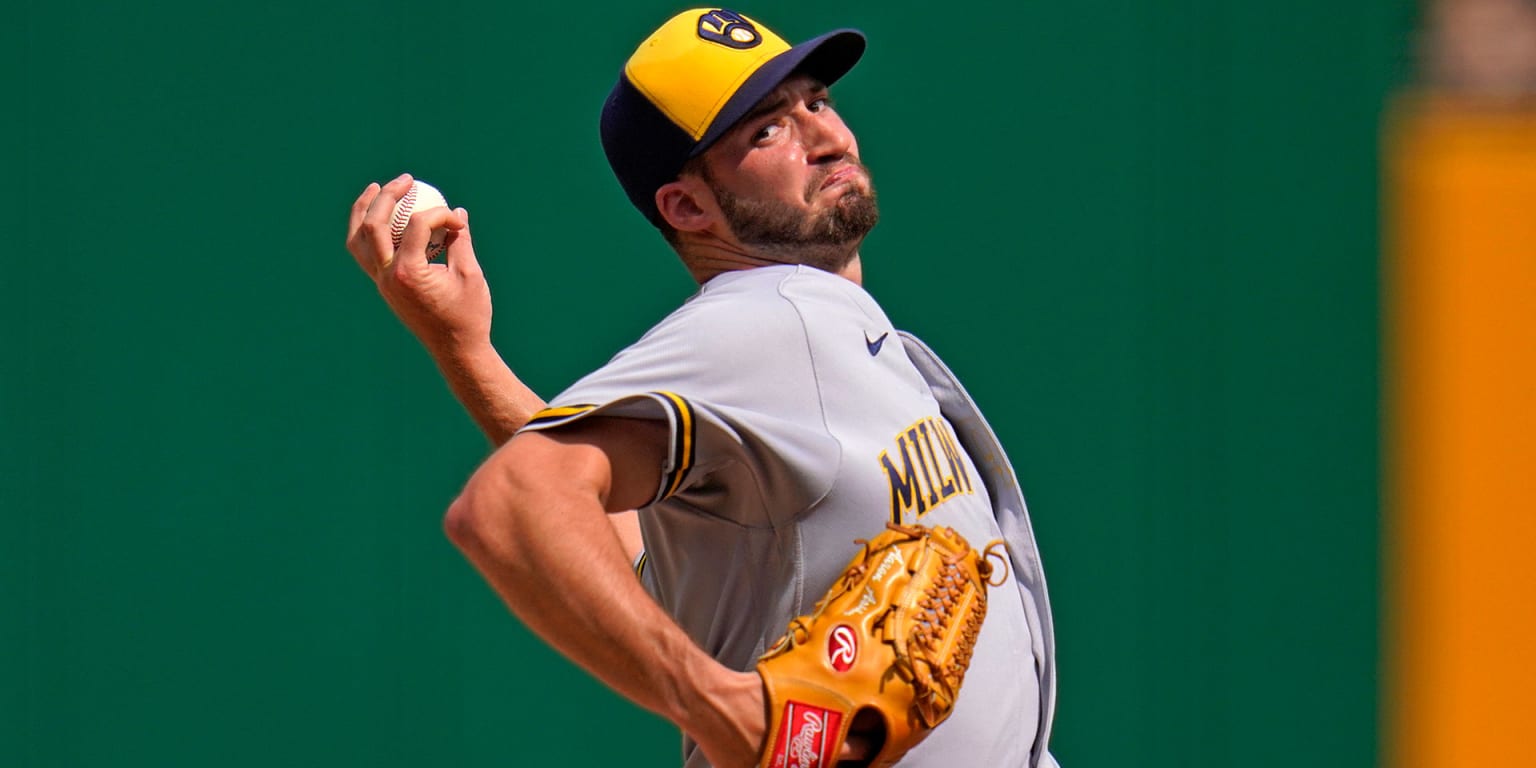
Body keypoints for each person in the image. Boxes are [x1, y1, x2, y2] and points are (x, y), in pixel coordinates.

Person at [345, 8, 1059, 768]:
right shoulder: (772, 318)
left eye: (816, 101)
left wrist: (467, 353)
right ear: (688, 207)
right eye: (767, 130)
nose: (826, 137)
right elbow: (516, 503)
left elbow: (656, 564)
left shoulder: (816, 338)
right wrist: (725, 708)